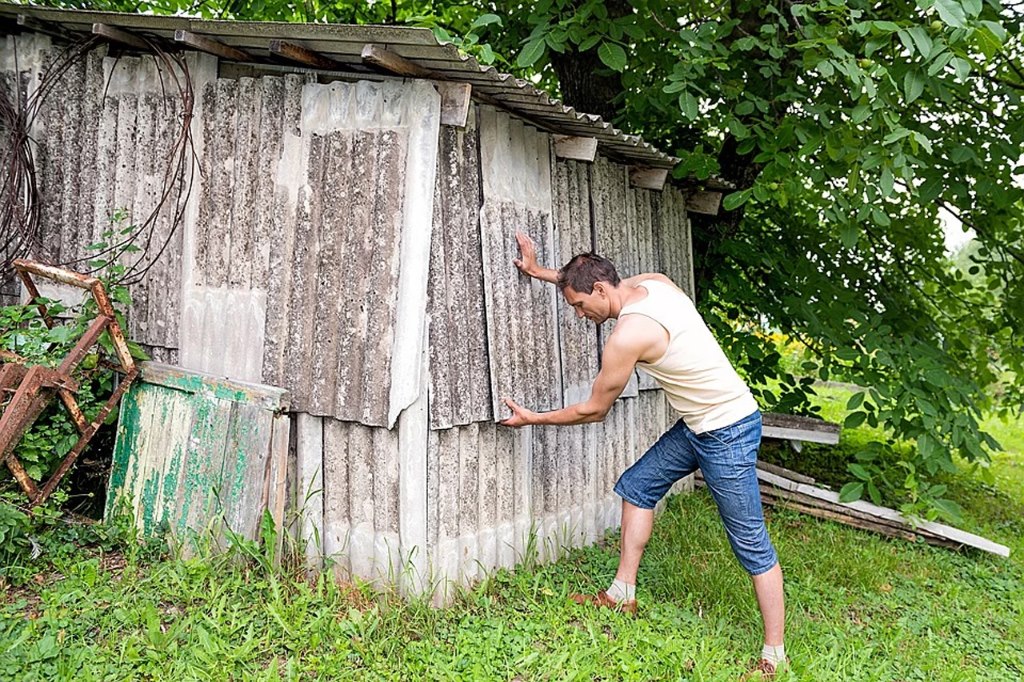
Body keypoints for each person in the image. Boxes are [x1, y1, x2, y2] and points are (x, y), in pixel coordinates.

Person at [500, 232, 787, 679]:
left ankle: (775, 657)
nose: (579, 315)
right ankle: (622, 593)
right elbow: (583, 278)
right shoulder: (653, 284)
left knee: (750, 542)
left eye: (578, 306)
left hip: (726, 430)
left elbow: (594, 410)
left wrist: (534, 419)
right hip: (700, 422)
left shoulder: (626, 336)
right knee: (637, 486)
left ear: (598, 291)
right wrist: (541, 272)